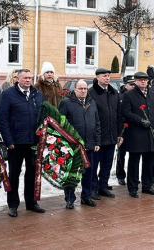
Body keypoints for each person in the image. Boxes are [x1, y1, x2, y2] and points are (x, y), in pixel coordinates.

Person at [0, 69, 45, 218]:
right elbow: (3, 119)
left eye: (30, 78)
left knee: (32, 174)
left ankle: (31, 202)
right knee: (14, 175)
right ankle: (13, 205)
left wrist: (42, 138)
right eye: (25, 78)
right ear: (18, 78)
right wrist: (8, 140)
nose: (28, 81)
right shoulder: (8, 94)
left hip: (33, 142)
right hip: (16, 143)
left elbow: (43, 116)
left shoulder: (37, 94)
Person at [59, 80, 101, 208]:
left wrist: (97, 141)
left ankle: (86, 196)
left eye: (85, 88)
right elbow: (60, 124)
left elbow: (97, 124)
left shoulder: (92, 103)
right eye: (80, 88)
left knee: (88, 172)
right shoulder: (66, 103)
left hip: (89, 145)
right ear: (75, 89)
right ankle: (70, 198)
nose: (83, 91)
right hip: (73, 146)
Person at [122, 71, 154, 198]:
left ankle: (147, 185)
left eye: (145, 79)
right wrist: (140, 120)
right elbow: (126, 113)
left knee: (149, 161)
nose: (143, 82)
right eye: (140, 80)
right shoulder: (129, 95)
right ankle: (132, 188)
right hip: (137, 132)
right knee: (134, 161)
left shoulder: (153, 94)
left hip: (151, 133)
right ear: (136, 81)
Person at [88, 68, 122, 200]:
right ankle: (93, 188)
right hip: (98, 136)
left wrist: (119, 133)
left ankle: (103, 185)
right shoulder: (91, 93)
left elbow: (118, 114)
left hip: (112, 135)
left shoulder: (114, 93)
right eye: (104, 76)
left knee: (107, 164)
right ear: (97, 77)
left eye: (108, 76)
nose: (107, 78)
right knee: (94, 164)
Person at [117, 75, 135, 185]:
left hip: (134, 129)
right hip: (123, 129)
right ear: (125, 85)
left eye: (134, 84)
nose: (133, 86)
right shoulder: (120, 97)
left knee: (133, 154)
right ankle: (120, 175)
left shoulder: (137, 96)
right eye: (131, 84)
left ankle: (132, 176)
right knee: (121, 154)